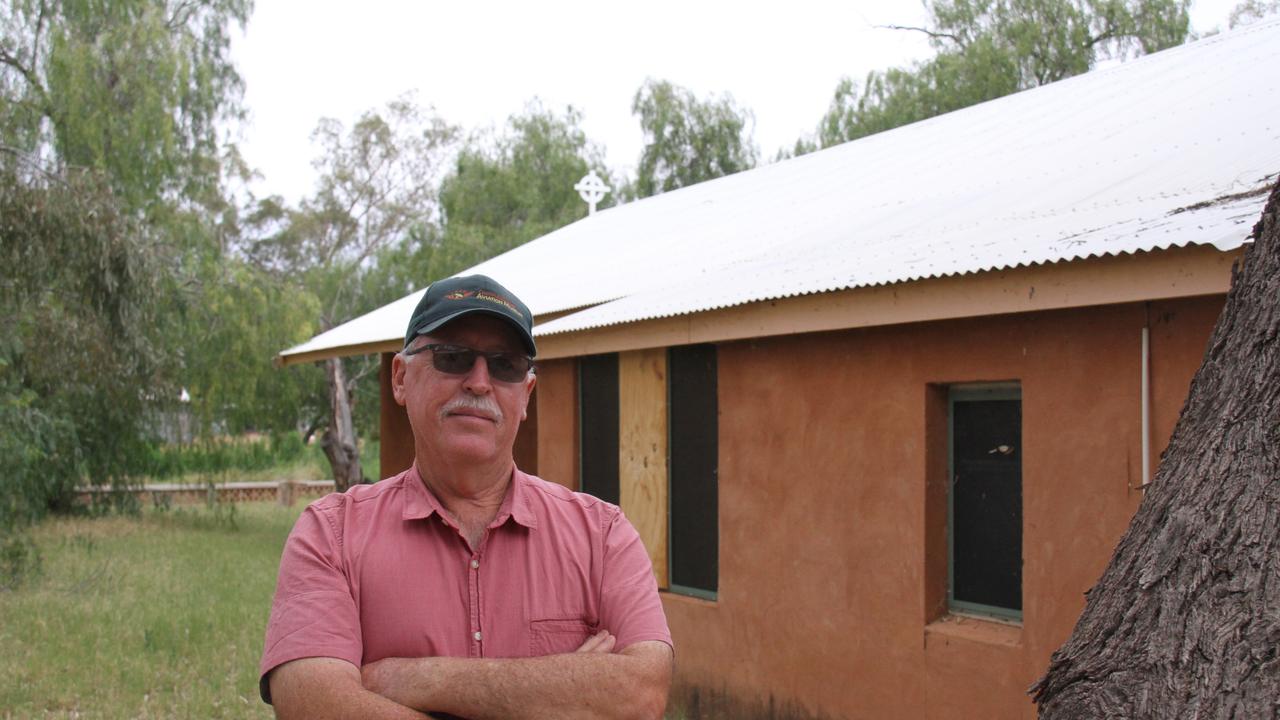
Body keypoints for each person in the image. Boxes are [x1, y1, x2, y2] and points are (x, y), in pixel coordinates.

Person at [259, 275, 673, 719]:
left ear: (526, 394)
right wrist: (563, 689)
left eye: (505, 365)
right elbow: (312, 704)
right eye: (452, 357)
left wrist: (409, 679)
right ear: (400, 378)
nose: (479, 382)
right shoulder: (330, 535)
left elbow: (642, 691)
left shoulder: (603, 535)